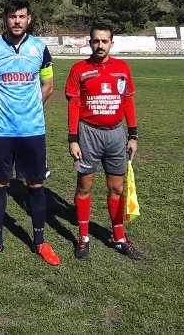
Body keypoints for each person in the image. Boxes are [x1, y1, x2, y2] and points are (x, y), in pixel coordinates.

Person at [0, 0, 59, 265]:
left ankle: (40, 241)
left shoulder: (40, 49)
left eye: (22, 16)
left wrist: (30, 109)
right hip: (1, 130)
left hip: (32, 129)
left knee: (35, 183)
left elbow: (48, 85)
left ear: (29, 19)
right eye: (12, 16)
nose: (17, 21)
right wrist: (0, 107)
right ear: (6, 19)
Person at [65, 23, 142, 261]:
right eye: (96, 41)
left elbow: (127, 101)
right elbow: (73, 105)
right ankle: (84, 237)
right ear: (90, 43)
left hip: (116, 135)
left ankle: (118, 237)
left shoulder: (122, 68)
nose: (100, 45)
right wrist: (73, 139)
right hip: (88, 134)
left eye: (104, 41)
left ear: (111, 43)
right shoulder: (79, 69)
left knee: (117, 188)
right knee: (84, 187)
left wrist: (133, 135)